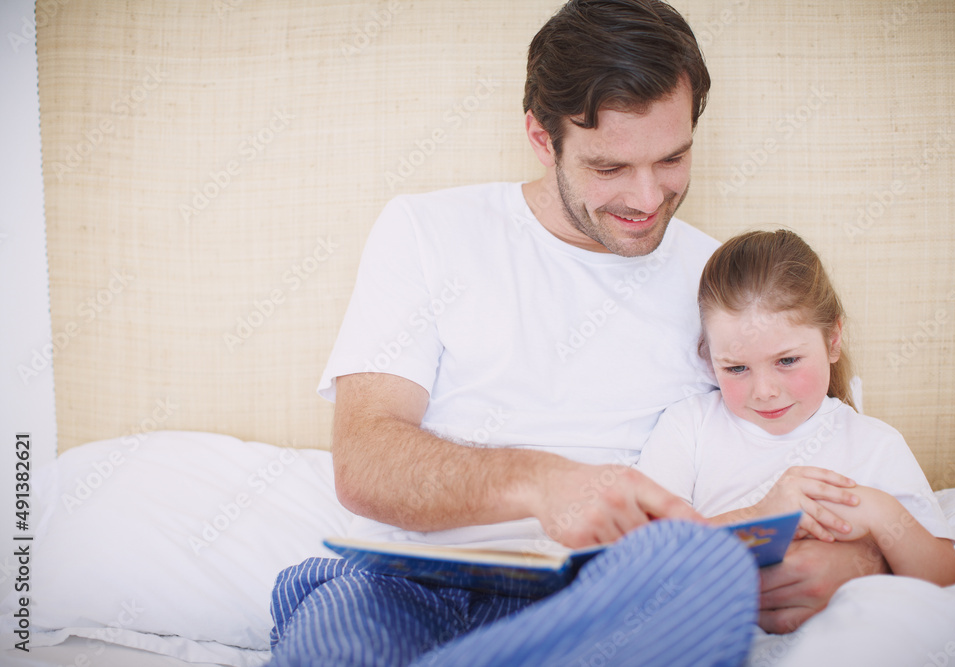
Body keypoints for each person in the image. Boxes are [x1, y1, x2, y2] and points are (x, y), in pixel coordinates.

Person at [267, 2, 887, 664]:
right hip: (406, 583)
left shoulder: (724, 286)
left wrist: (859, 562)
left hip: (615, 593)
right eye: (609, 167)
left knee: (704, 570)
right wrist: (542, 482)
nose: (647, 198)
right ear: (541, 137)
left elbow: (819, 444)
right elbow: (364, 462)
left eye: (672, 158)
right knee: (336, 638)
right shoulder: (426, 231)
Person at [638, 229, 955, 594]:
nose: (764, 392)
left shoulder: (875, 444)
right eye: (736, 368)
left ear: (833, 340)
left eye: (788, 360)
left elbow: (949, 580)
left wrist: (879, 513)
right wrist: (759, 516)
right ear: (709, 356)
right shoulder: (689, 427)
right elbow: (641, 560)